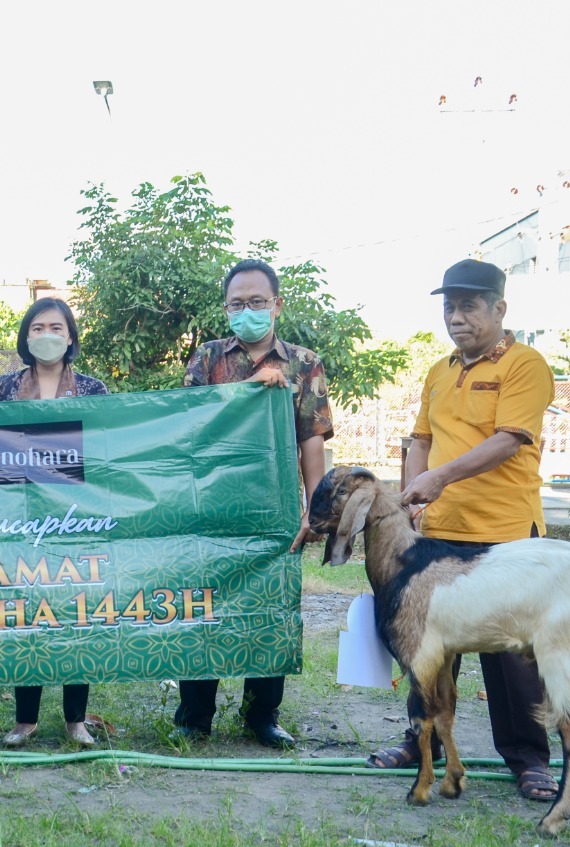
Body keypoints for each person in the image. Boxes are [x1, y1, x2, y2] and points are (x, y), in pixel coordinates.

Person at [365, 258, 559, 802]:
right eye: (449, 306)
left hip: (504, 533)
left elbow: (509, 438)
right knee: (427, 645)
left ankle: (528, 758)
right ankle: (417, 739)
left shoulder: (525, 364)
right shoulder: (439, 370)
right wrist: (411, 495)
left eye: (469, 305)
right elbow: (420, 441)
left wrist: (440, 477)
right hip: (439, 533)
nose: (456, 316)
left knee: (512, 650)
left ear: (499, 308)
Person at [173, 258, 333, 748]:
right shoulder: (207, 359)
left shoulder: (304, 364)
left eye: (257, 302)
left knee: (269, 606)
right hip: (212, 505)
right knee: (204, 603)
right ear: (226, 309)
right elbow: (186, 424)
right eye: (238, 303)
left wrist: (314, 509)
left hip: (274, 508)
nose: (248, 310)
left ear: (277, 305)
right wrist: (247, 389)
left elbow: (312, 442)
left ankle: (262, 715)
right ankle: (194, 715)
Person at [0, 298, 108, 747]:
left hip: (78, 519)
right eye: (37, 328)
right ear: (25, 337)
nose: (46, 334)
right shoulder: (4, 388)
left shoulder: (93, 390)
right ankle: (25, 719)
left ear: (71, 336)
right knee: (26, 611)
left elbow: (109, 448)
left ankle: (76, 719)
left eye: (56, 326)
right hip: (21, 519)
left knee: (77, 612)